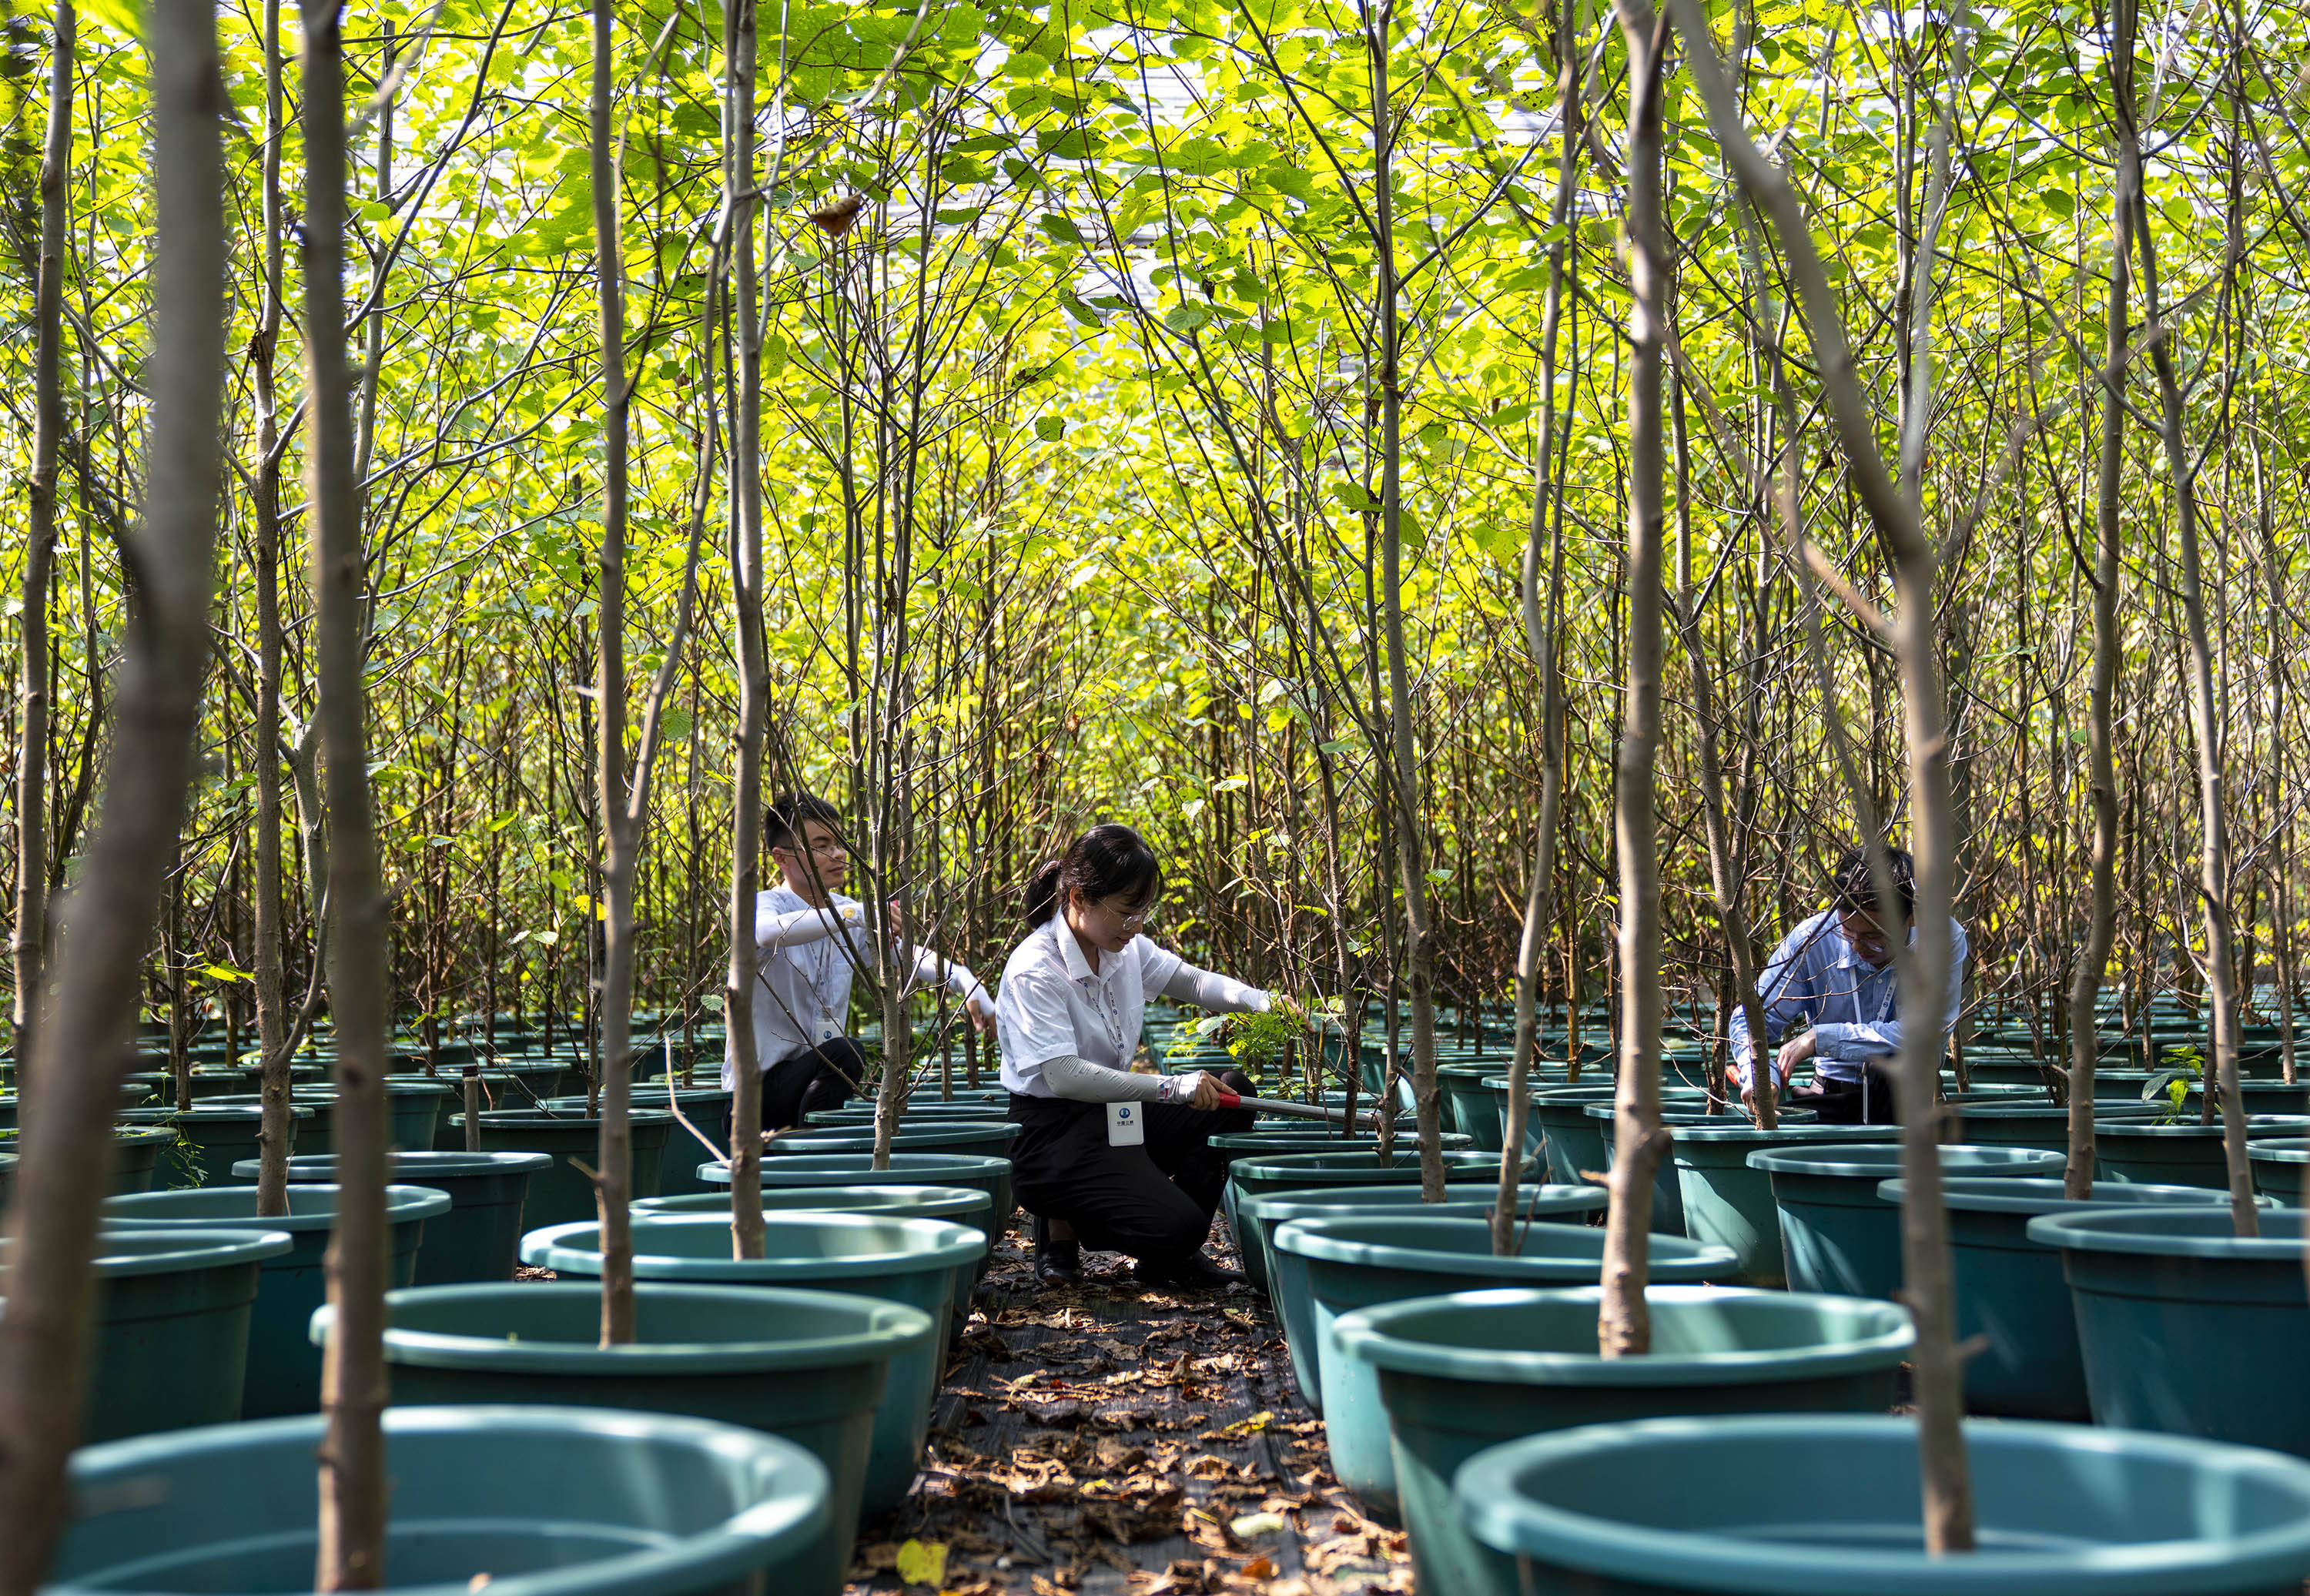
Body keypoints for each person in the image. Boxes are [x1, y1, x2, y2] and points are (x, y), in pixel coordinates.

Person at [996, 822, 1269, 1290]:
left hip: (1114, 1114)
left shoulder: (1124, 947)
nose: (1137, 926)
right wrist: (1171, 1087)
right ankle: (1062, 1221)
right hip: (1054, 1134)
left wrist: (1264, 1001)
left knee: (1234, 1097)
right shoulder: (1034, 970)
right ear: (1079, 898)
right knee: (1178, 1227)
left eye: (1143, 912)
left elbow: (1194, 982)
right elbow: (1062, 1076)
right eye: (1127, 912)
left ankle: (1166, 1255)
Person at [725, 791, 993, 1136]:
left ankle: (812, 1151)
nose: (838, 854)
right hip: (754, 1100)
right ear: (782, 858)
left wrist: (963, 979)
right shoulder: (766, 904)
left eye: (838, 842)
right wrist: (856, 914)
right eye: (821, 845)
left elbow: (904, 956)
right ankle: (810, 1149)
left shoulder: (848, 913)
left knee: (841, 1057)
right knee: (844, 1053)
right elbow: (764, 933)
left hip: (812, 1087)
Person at [1731, 844, 1968, 1124]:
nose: (1858, 945)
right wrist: (1759, 1075)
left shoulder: (1942, 940)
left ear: (1911, 917)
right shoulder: (1813, 940)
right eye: (1848, 931)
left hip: (1911, 1104)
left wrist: (1821, 1038)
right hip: (1830, 1098)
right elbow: (1749, 1019)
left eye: (1874, 936)